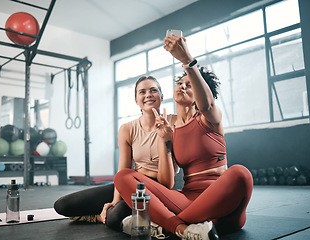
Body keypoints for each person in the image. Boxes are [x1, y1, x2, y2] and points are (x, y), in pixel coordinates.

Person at [114, 34, 253, 239]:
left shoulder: (209, 118)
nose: (183, 86)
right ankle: (182, 229)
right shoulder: (170, 128)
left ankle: (164, 225)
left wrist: (187, 61)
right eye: (180, 82)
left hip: (222, 199)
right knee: (123, 176)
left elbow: (206, 103)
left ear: (199, 91)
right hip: (187, 200)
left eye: (190, 84)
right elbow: (167, 183)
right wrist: (164, 139)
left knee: (241, 173)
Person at [53, 75, 176, 233]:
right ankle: (102, 216)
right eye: (142, 92)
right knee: (63, 205)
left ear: (162, 96)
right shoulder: (127, 129)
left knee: (115, 216)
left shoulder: (174, 122)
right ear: (136, 100)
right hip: (133, 184)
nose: (148, 95)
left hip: (159, 188)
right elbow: (123, 170)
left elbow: (167, 180)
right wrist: (114, 200)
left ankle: (109, 216)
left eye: (153, 90)